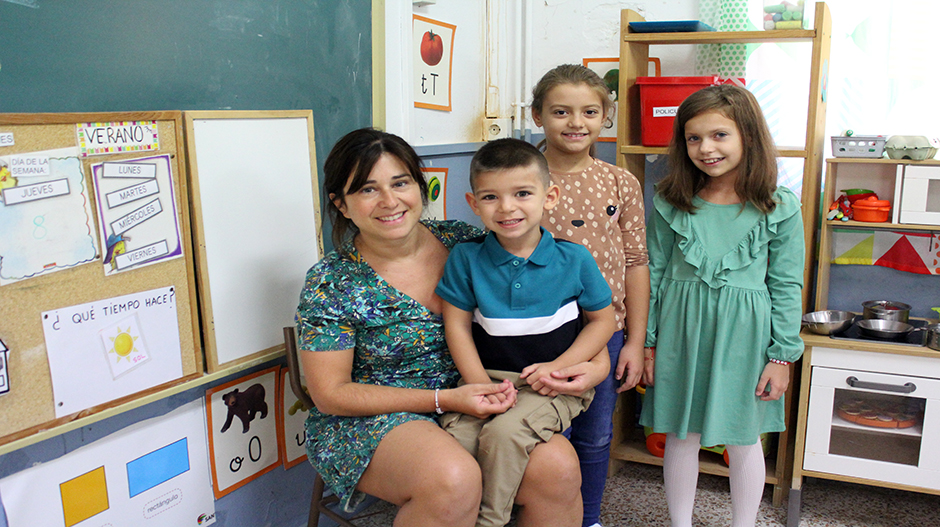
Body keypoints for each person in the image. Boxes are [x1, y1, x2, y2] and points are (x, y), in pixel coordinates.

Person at [296, 128, 610, 527]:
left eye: (400, 183)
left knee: (558, 468)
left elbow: (568, 319)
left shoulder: (469, 243)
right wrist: (447, 399)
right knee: (453, 478)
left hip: (491, 396)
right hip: (379, 416)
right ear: (341, 204)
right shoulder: (332, 281)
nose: (390, 201)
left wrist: (595, 367)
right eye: (368, 190)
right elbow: (331, 395)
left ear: (420, 187)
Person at [640, 84, 805, 527]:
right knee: (680, 434)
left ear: (748, 137)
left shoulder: (779, 206)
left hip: (745, 341)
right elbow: (652, 276)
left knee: (743, 437)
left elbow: (787, 284)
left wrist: (781, 355)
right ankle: (680, 523)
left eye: (719, 136)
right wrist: (648, 344)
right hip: (680, 333)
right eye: (693, 138)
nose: (705, 148)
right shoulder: (672, 203)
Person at [436, 138, 617, 527]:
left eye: (522, 193)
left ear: (548, 197)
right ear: (473, 204)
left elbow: (604, 321)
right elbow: (457, 325)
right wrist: (478, 384)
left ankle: (491, 520)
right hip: (491, 380)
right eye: (490, 197)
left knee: (504, 435)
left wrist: (559, 367)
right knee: (460, 441)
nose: (506, 208)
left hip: (554, 386)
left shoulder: (574, 259)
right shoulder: (466, 258)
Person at [531, 63, 650, 527]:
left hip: (607, 332)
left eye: (589, 111)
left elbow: (636, 262)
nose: (575, 122)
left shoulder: (620, 181)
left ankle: (589, 519)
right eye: (561, 111)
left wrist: (635, 342)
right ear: (538, 115)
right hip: (533, 330)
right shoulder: (521, 175)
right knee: (534, 430)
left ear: (606, 116)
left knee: (595, 434)